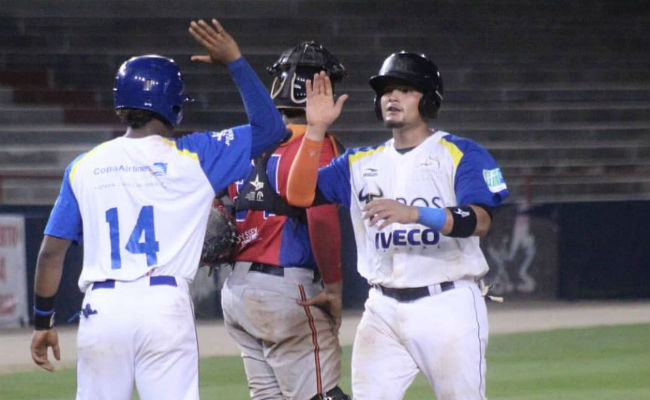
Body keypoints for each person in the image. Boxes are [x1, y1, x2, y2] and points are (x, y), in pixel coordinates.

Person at [29, 19, 286, 400]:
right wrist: (235, 61)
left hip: (102, 307)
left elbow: (51, 253)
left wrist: (42, 321)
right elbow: (271, 129)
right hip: (164, 305)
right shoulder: (196, 156)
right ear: (175, 104)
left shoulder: (83, 165)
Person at [287, 51, 509, 400]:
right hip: (382, 308)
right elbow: (298, 194)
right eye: (386, 90)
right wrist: (315, 130)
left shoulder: (461, 153)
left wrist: (417, 214)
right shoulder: (359, 163)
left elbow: (479, 221)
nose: (391, 96)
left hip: (448, 305)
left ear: (429, 99)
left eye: (406, 89)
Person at [219, 41, 350, 400]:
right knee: (323, 395)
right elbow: (321, 218)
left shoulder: (246, 142)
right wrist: (335, 287)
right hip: (284, 289)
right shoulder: (318, 143)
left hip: (237, 292)